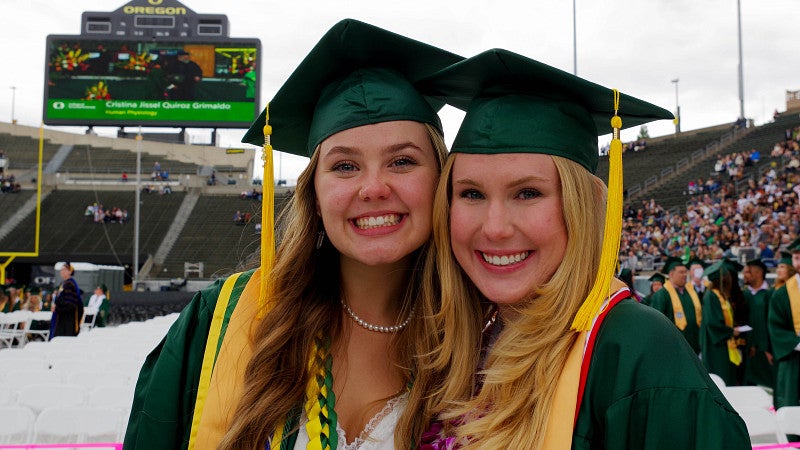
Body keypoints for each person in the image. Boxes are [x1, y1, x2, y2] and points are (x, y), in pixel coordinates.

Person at [124, 19, 462, 450]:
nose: (374, 187)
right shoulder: (222, 322)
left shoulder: (485, 340)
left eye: (402, 162)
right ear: (315, 195)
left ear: (441, 180)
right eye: (344, 165)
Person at [416, 49, 749, 449]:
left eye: (527, 192)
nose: (495, 228)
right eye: (471, 193)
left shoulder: (636, 352)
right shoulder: (465, 348)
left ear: (584, 206)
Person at [699, 259, 746, 386]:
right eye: (727, 275)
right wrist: (731, 331)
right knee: (720, 376)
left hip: (723, 341)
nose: (730, 278)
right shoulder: (711, 296)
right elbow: (712, 323)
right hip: (716, 344)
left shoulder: (721, 295)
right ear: (722, 279)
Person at [648, 256, 703, 355]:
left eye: (685, 272)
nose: (684, 275)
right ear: (671, 274)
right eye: (681, 272)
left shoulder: (691, 291)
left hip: (695, 343)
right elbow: (657, 323)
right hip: (674, 346)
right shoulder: (662, 295)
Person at [768, 238, 800, 408]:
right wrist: (797, 343)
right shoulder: (781, 294)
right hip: (793, 354)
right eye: (796, 257)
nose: (799, 261)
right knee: (791, 399)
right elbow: (776, 326)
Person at [743, 258, 776, 388]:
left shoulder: (770, 295)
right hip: (747, 350)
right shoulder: (744, 294)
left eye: (748, 272)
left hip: (765, 351)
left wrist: (766, 349)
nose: (744, 275)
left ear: (758, 273)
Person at [50, 262, 84, 339]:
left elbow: (70, 304)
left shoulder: (70, 284)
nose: (62, 271)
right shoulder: (64, 284)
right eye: (61, 270)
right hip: (62, 318)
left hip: (67, 320)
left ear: (70, 271)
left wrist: (57, 308)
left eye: (64, 269)